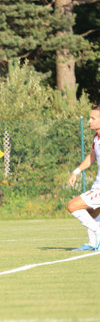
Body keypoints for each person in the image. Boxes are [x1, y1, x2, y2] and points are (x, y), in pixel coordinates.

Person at [67, 105, 100, 251]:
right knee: (91, 212)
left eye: (93, 118)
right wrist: (76, 171)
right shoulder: (96, 138)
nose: (89, 121)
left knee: (73, 206)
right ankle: (93, 244)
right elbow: (92, 155)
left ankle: (98, 233)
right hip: (98, 183)